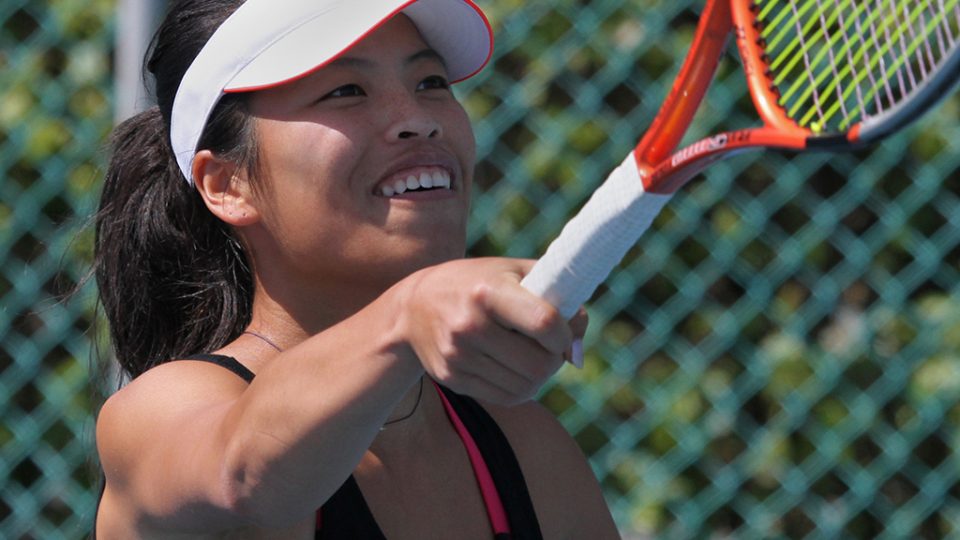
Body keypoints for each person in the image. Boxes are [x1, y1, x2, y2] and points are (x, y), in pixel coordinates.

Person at [93, 0, 620, 538]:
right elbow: (244, 475)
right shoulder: (157, 414)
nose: (418, 121)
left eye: (431, 81)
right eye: (345, 91)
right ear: (227, 185)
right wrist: (407, 314)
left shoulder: (526, 445)